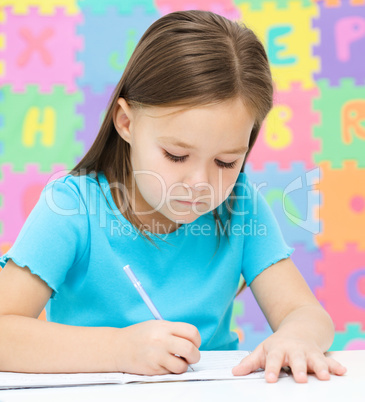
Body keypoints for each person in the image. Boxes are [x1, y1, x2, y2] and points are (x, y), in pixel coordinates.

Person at [0, 10, 346, 383]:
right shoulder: (72, 207)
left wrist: (297, 336)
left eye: (226, 161)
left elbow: (306, 313)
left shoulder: (240, 208)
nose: (199, 183)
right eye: (176, 156)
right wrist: (120, 350)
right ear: (126, 122)